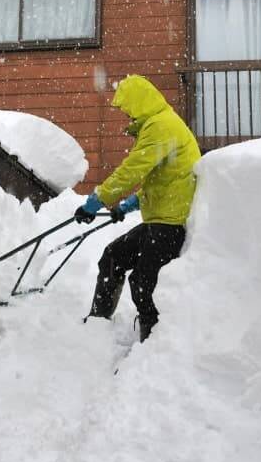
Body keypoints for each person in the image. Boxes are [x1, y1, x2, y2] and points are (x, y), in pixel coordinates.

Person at [77, 74, 200, 342]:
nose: (126, 115)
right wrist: (128, 205)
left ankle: (154, 341)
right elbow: (159, 180)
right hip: (158, 220)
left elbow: (131, 171)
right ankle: (97, 325)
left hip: (170, 223)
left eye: (127, 108)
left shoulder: (161, 127)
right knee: (113, 256)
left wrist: (95, 202)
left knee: (143, 282)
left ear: (139, 102)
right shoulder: (159, 124)